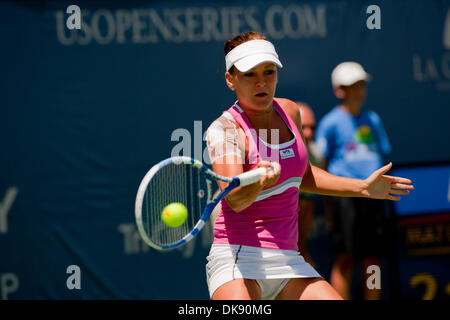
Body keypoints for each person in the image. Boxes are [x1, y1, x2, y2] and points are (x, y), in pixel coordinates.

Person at [205, 32, 413, 300]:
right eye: (249, 74)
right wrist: (259, 180)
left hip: (288, 261)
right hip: (238, 260)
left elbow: (303, 174)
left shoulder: (290, 111)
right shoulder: (224, 130)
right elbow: (233, 198)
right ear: (230, 80)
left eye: (269, 72)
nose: (261, 82)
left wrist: (363, 187)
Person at [315, 62, 393, 300]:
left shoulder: (373, 119)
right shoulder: (330, 123)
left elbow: (382, 153)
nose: (359, 91)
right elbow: (320, 165)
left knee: (373, 259)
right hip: (345, 200)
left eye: (361, 85)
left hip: (375, 197)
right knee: (345, 258)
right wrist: (330, 205)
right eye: (352, 86)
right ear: (340, 90)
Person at [295, 102, 325, 266]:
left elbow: (307, 204)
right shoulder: (270, 151)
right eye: (303, 127)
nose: (308, 133)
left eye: (312, 128)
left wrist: (301, 248)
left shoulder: (317, 156)